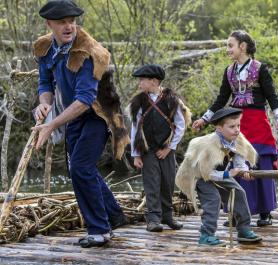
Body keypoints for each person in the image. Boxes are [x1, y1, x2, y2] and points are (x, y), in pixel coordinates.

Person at [32, 0, 130, 247]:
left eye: (71, 21)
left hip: (98, 116)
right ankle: (115, 215)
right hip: (73, 116)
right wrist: (44, 104)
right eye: (62, 22)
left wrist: (51, 126)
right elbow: (45, 84)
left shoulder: (88, 52)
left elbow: (85, 100)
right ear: (49, 24)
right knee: (80, 169)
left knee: (80, 167)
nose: (68, 27)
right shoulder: (45, 48)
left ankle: (100, 230)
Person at [192, 30, 278, 226]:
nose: (228, 49)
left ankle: (265, 212)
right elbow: (221, 99)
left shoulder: (261, 69)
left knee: (261, 163)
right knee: (236, 166)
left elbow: (272, 97)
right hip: (237, 124)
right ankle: (237, 213)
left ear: (242, 46)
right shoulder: (229, 72)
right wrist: (204, 119)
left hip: (258, 122)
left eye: (230, 45)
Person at [176, 108, 262, 246]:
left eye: (238, 125)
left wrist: (244, 171)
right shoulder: (209, 145)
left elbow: (239, 160)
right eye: (232, 126)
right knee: (213, 199)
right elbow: (206, 173)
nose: (237, 130)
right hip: (201, 176)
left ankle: (244, 229)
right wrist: (228, 174)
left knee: (239, 192)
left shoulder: (237, 139)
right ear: (219, 128)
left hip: (219, 174)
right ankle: (206, 235)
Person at [129, 64, 191, 232]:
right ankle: (154, 218)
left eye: (142, 80)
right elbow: (135, 128)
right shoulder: (139, 101)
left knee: (168, 182)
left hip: (166, 150)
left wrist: (169, 148)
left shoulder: (172, 99)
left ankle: (167, 216)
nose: (140, 84)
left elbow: (180, 124)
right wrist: (136, 155)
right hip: (147, 149)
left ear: (154, 81)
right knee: (151, 183)